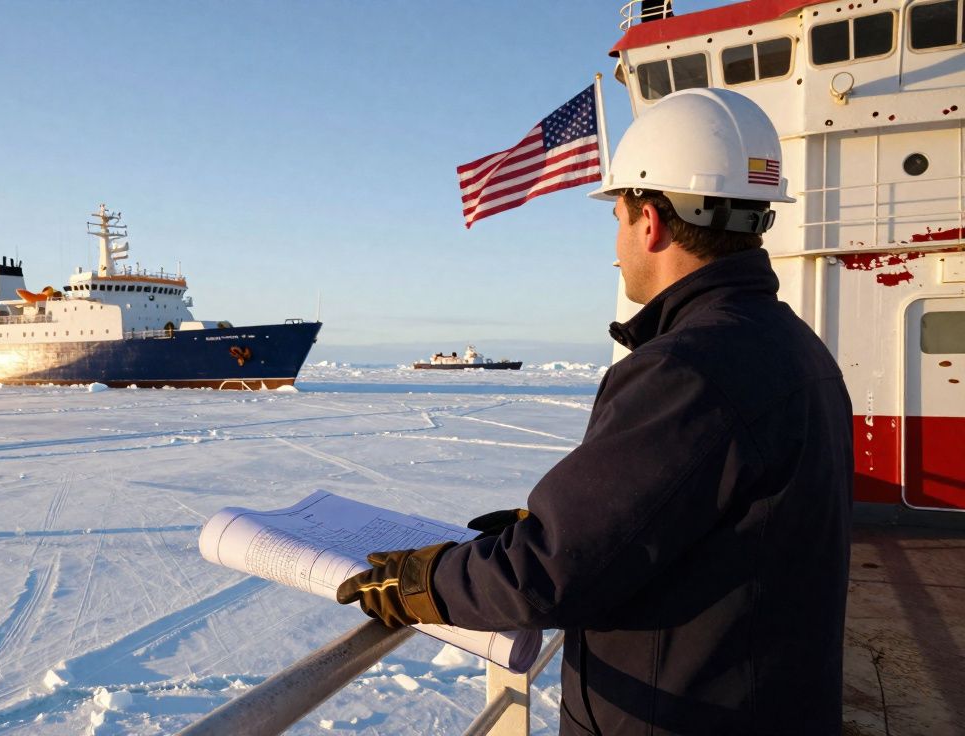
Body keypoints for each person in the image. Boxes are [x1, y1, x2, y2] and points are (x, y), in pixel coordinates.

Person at [337, 88, 853, 735]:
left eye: (617, 218)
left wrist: (425, 581)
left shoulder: (689, 370)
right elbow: (697, 512)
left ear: (650, 221)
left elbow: (549, 572)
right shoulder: (793, 345)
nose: (615, 247)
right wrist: (562, 521)